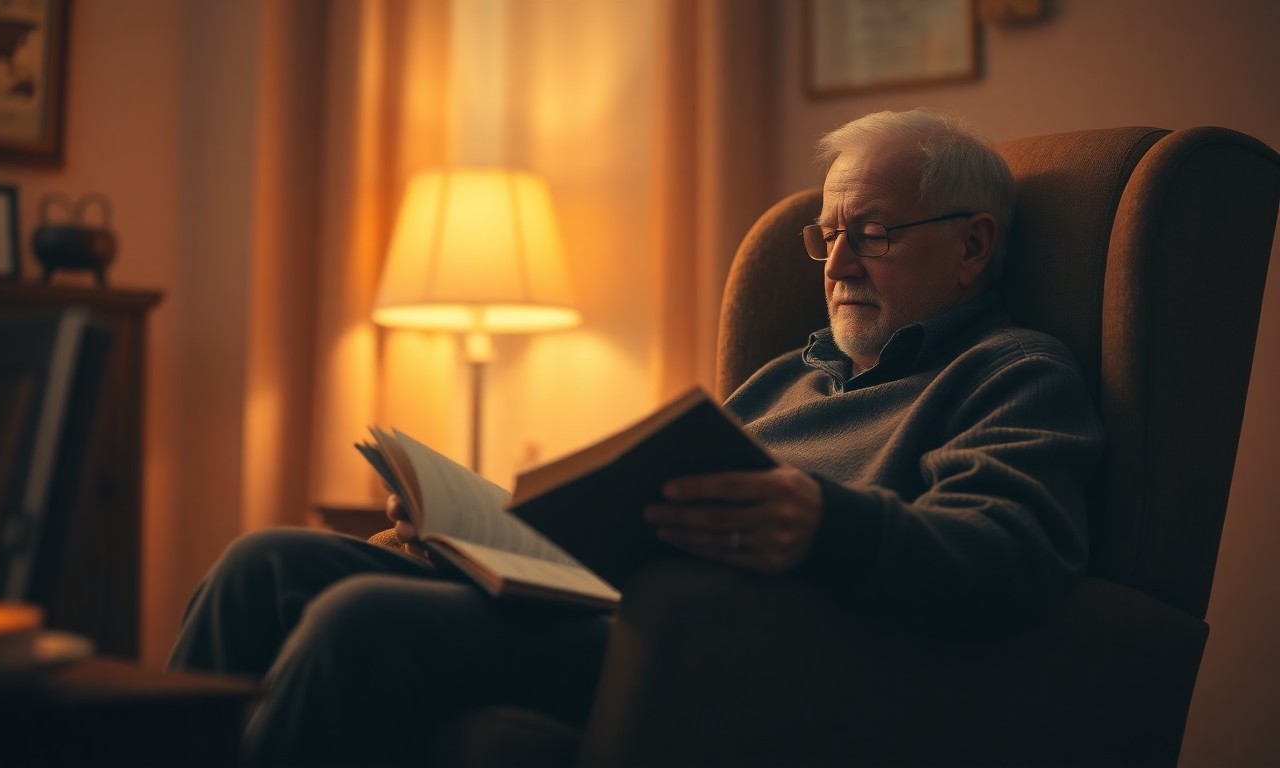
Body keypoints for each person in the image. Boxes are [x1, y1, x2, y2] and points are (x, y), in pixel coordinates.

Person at [169, 108, 1102, 766]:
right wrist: (469, 534)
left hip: (719, 653)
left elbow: (1015, 553)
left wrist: (825, 523)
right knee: (262, 564)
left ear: (975, 246)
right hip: (605, 608)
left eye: (874, 233)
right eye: (828, 237)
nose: (839, 263)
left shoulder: (1013, 372)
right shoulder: (789, 377)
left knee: (357, 621)